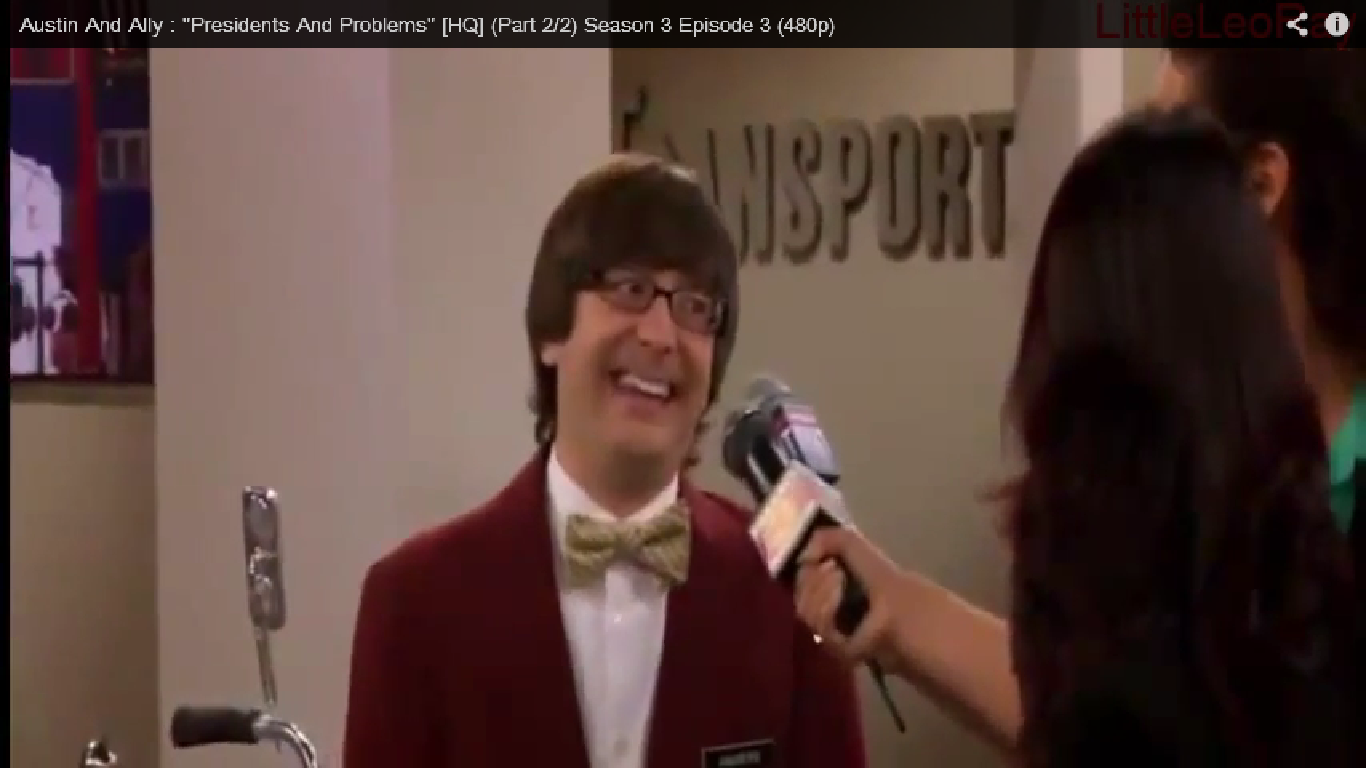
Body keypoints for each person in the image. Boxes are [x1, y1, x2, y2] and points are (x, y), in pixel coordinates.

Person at [795, 49, 1365, 756]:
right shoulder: (1179, 472)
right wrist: (903, 612)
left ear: (1261, 185)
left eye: (1174, 144)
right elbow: (1143, 709)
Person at [343, 154, 866, 768]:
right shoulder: (416, 602)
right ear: (552, 332)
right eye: (630, 289)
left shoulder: (792, 593)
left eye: (695, 306)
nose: (660, 335)